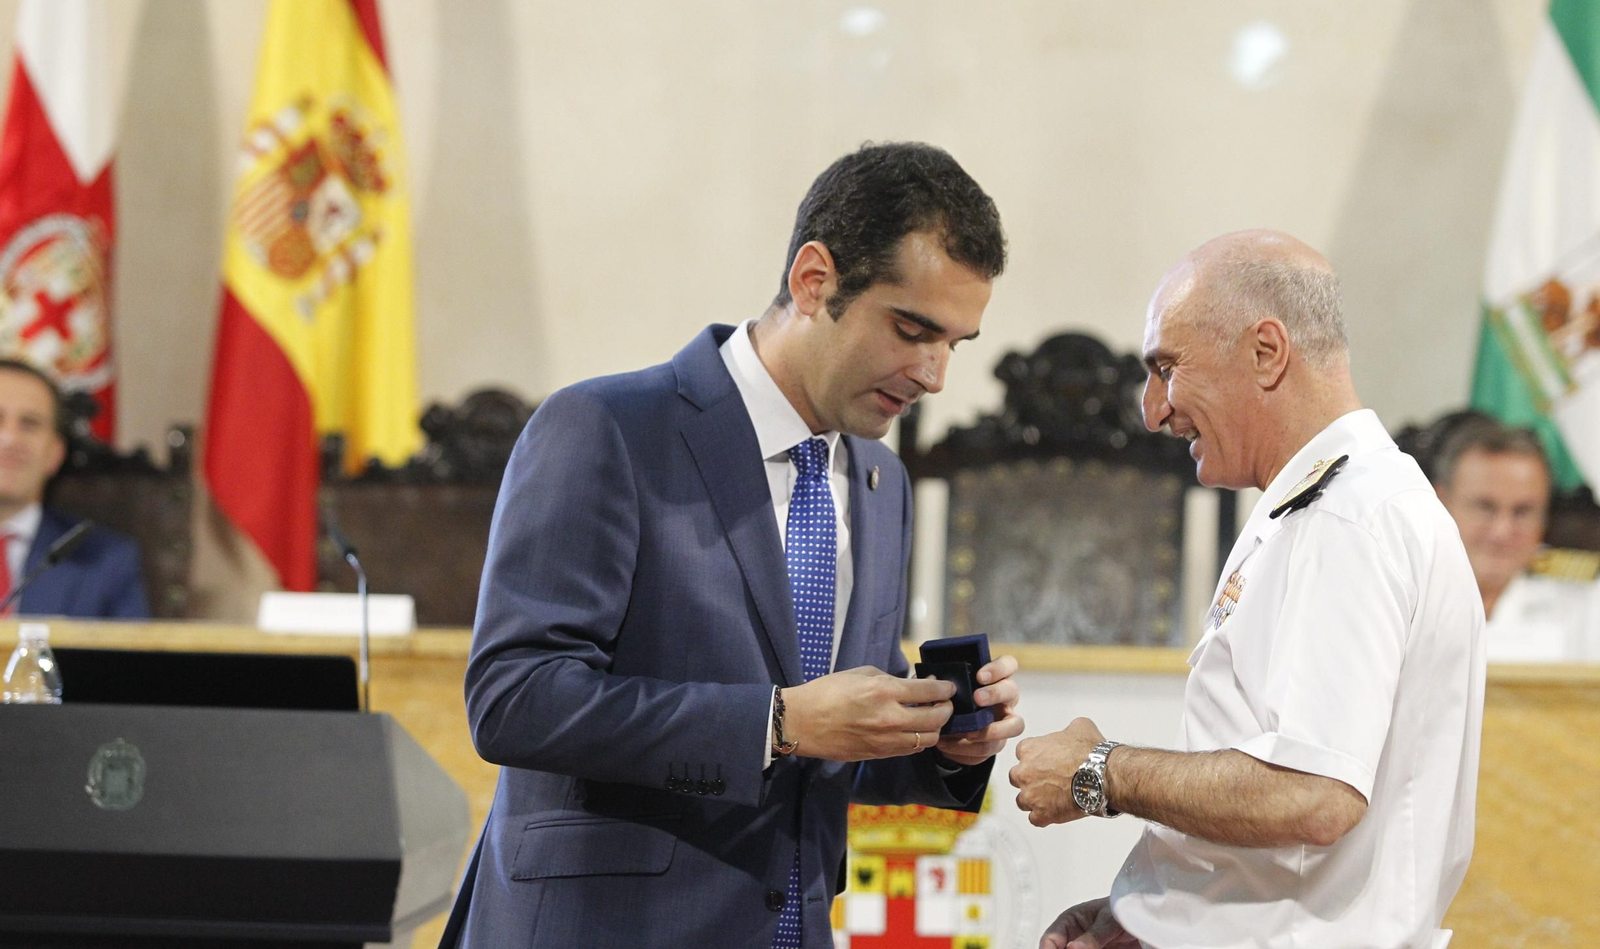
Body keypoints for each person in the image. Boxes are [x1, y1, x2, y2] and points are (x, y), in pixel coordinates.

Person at [440, 142, 1024, 949]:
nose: (933, 375)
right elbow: (514, 697)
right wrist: (776, 723)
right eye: (912, 328)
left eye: (955, 342)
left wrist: (941, 743)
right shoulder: (608, 429)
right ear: (814, 280)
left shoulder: (881, 482)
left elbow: (832, 741)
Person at [1010, 231, 1484, 949]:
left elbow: (1313, 795)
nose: (1152, 409)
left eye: (1167, 367)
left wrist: (1098, 771)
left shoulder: (1350, 518)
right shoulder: (1322, 506)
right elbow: (1288, 839)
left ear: (1267, 351)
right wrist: (1145, 911)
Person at [1431, 415, 1599, 660]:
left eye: (1522, 512)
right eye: (1485, 507)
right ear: (1440, 504)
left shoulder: (1584, 603)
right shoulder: (1403, 600)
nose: (1501, 532)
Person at [0, 358, 148, 619]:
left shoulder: (106, 560)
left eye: (30, 424)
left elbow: (130, 660)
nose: (10, 439)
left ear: (55, 454)